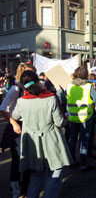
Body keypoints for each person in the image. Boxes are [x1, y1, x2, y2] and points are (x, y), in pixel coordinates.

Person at [12, 70, 72, 198]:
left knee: (36, 174)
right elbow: (60, 122)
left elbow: (15, 115)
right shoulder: (50, 98)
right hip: (51, 139)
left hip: (32, 142)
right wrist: (66, 117)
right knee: (55, 172)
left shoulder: (22, 101)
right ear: (39, 82)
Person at [0, 63, 36, 198]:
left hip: (29, 128)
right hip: (17, 128)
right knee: (18, 160)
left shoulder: (31, 88)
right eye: (30, 73)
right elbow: (3, 108)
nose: (34, 76)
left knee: (28, 160)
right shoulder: (15, 89)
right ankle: (15, 191)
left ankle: (25, 188)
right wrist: (14, 123)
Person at [66, 66, 96, 172]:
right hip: (86, 118)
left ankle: (71, 161)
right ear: (86, 75)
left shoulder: (69, 85)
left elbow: (64, 99)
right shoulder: (88, 86)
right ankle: (83, 164)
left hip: (72, 117)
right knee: (83, 141)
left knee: (72, 140)